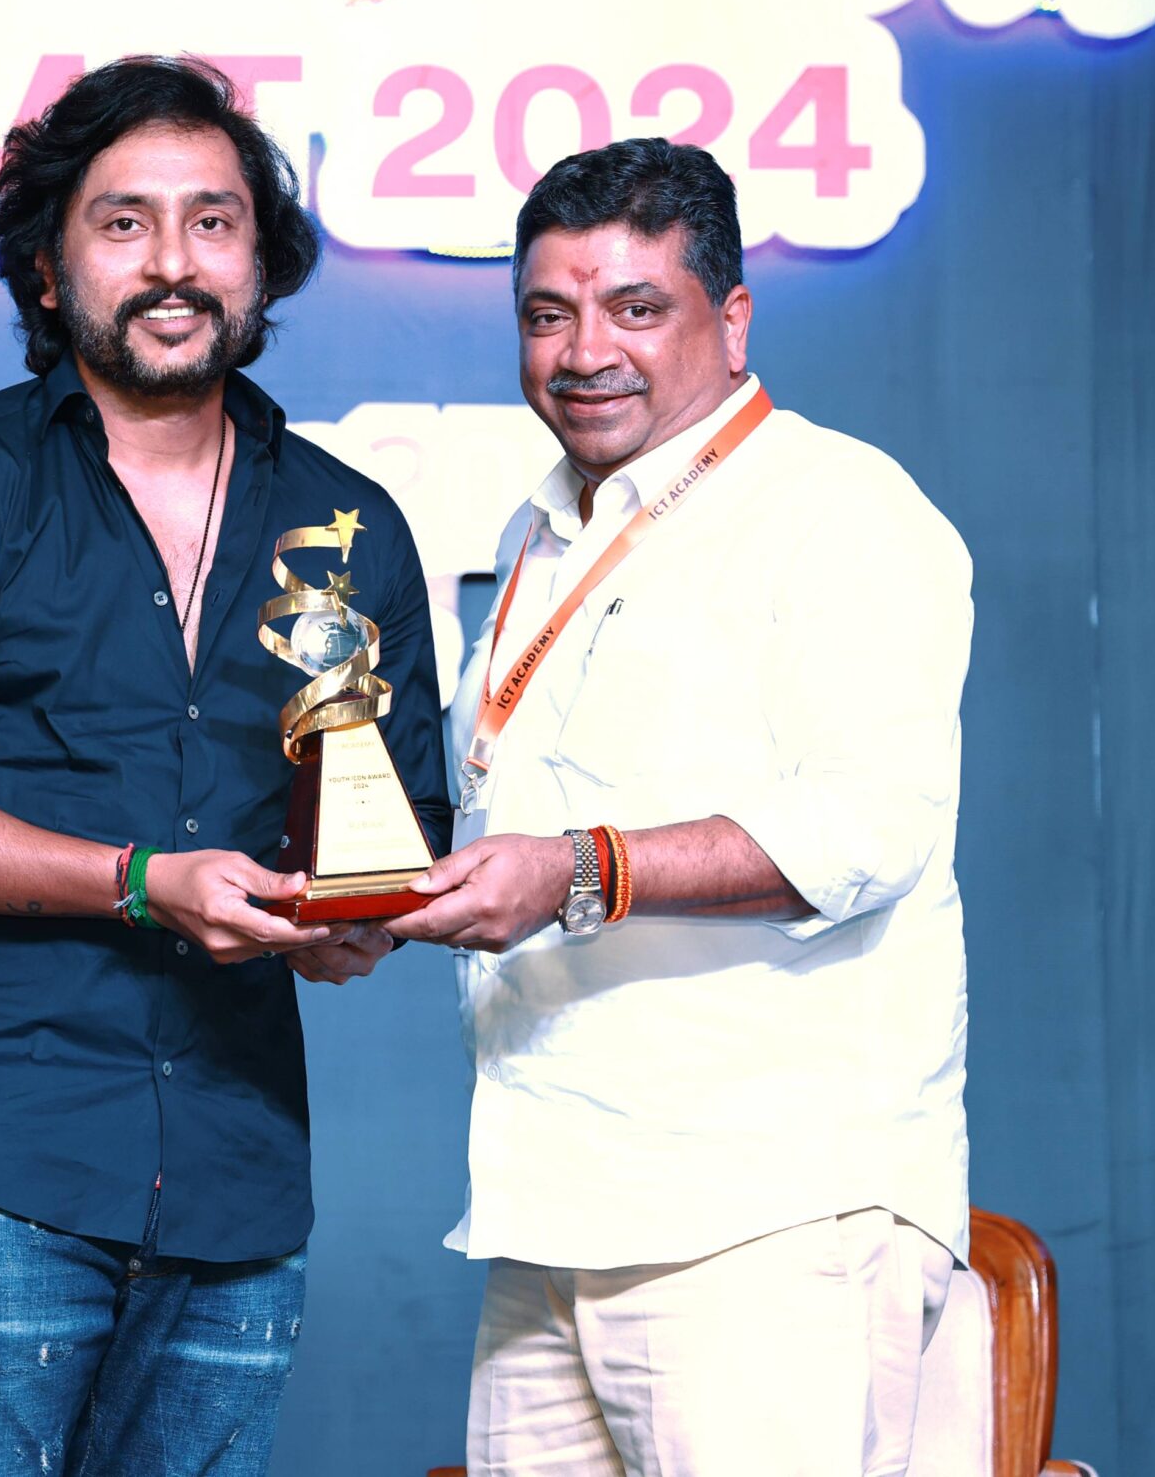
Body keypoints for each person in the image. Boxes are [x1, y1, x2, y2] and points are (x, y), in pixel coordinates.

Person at [0, 56, 452, 1475]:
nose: (174, 262)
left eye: (213, 221)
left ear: (262, 262)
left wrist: (359, 924)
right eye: (125, 222)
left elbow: (393, 820)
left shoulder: (347, 524)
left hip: (236, 1169)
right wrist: (141, 883)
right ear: (48, 269)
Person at [382, 137, 973, 1477]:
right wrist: (384, 906)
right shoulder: (542, 532)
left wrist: (573, 872)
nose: (586, 351)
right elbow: (514, 821)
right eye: (548, 314)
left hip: (763, 1215)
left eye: (636, 307)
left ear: (734, 318)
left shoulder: (837, 508)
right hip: (550, 1206)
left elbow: (865, 831)